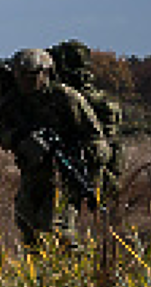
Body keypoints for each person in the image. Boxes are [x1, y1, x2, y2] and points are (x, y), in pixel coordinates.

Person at [0, 47, 109, 246]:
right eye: (20, 74)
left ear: (45, 73)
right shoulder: (13, 100)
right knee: (27, 225)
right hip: (33, 172)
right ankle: (36, 273)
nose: (25, 80)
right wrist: (19, 139)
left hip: (64, 174)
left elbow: (95, 138)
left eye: (31, 75)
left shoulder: (66, 98)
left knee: (59, 232)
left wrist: (88, 170)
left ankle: (72, 270)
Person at [50, 39, 124, 204]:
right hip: (96, 164)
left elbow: (105, 144)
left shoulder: (78, 99)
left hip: (89, 164)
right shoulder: (101, 100)